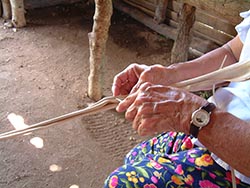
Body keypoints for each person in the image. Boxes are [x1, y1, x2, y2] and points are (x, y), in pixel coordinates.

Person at [104, 10, 250, 188]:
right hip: (208, 129)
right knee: (137, 157)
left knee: (121, 184)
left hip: (239, 166)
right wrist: (170, 75)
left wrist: (190, 113)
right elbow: (234, 54)